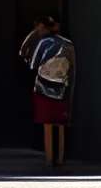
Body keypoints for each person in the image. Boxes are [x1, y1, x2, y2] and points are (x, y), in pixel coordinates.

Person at [18, 13, 75, 169]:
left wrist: (34, 34)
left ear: (43, 27)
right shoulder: (68, 45)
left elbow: (30, 61)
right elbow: (73, 71)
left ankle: (49, 159)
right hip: (62, 87)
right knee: (60, 124)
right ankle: (61, 158)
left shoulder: (43, 43)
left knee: (47, 124)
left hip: (43, 88)